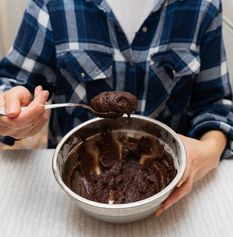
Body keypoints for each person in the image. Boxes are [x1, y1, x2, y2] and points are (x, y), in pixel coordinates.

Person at [0, 0, 232, 216]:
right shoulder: (53, 4)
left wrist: (210, 150)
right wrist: (13, 113)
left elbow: (215, 104)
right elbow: (11, 82)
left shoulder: (203, 5)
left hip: (169, 199)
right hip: (72, 191)